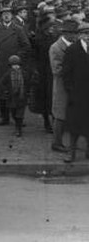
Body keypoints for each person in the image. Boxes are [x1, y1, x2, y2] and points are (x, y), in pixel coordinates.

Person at [0, 1, 30, 126]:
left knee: (16, 91)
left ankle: (17, 118)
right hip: (1, 64)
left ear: (12, 16)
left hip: (14, 65)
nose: (6, 16)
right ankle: (4, 118)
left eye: (8, 14)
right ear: (1, 16)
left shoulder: (18, 29)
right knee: (2, 91)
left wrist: (18, 57)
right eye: (4, 14)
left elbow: (26, 45)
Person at [49, 18, 79, 153]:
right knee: (60, 115)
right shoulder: (56, 47)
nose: (75, 36)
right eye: (73, 33)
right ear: (66, 33)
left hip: (74, 85)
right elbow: (56, 69)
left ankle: (71, 142)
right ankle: (56, 143)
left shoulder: (75, 44)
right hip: (61, 86)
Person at [62, 20, 89, 163]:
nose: (88, 36)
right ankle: (71, 152)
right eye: (85, 34)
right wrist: (71, 90)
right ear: (79, 35)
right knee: (74, 125)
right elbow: (65, 74)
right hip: (77, 94)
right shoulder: (72, 50)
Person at [0, 55, 27, 136]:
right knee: (14, 113)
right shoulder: (8, 74)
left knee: (20, 114)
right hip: (12, 97)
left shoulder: (24, 74)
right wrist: (6, 91)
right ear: (10, 66)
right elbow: (2, 83)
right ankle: (17, 124)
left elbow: (28, 83)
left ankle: (18, 128)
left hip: (21, 97)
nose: (16, 67)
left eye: (17, 65)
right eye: (14, 65)